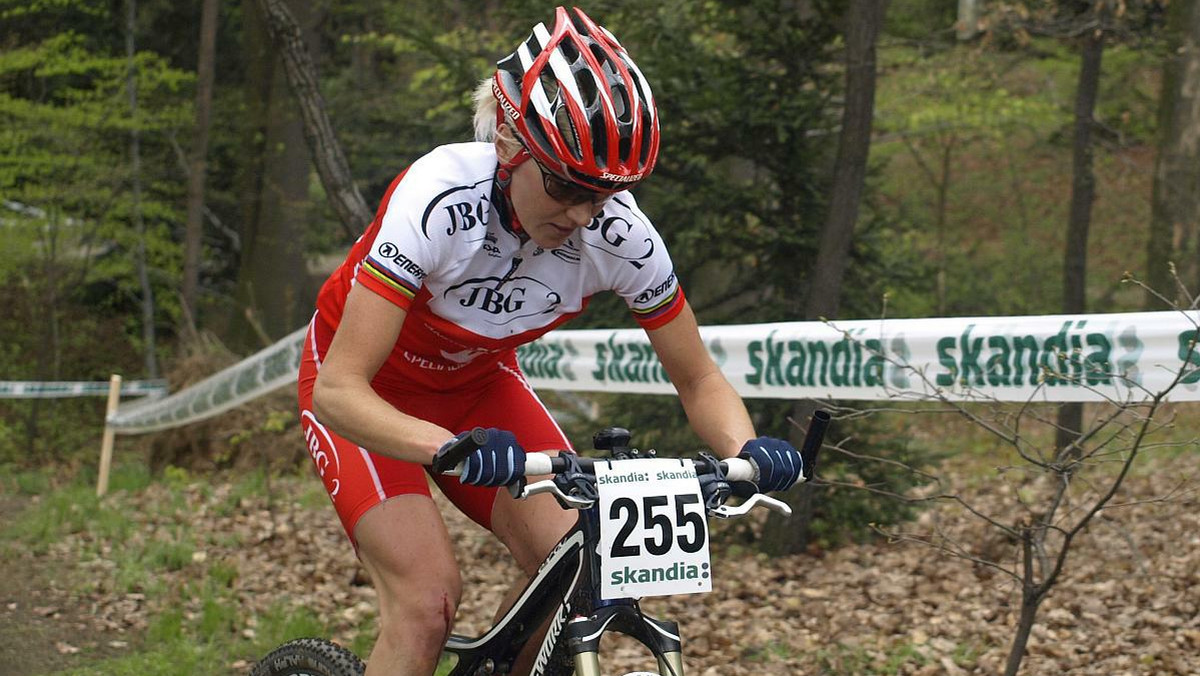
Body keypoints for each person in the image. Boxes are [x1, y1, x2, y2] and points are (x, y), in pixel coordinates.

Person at [297, 6, 804, 676]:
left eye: (606, 192)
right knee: (426, 604)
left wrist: (746, 450)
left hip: (476, 389)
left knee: (578, 571)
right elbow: (340, 389)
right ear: (509, 143)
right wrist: (445, 448)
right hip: (365, 391)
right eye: (567, 184)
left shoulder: (619, 236)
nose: (582, 214)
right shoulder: (440, 197)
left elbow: (699, 379)